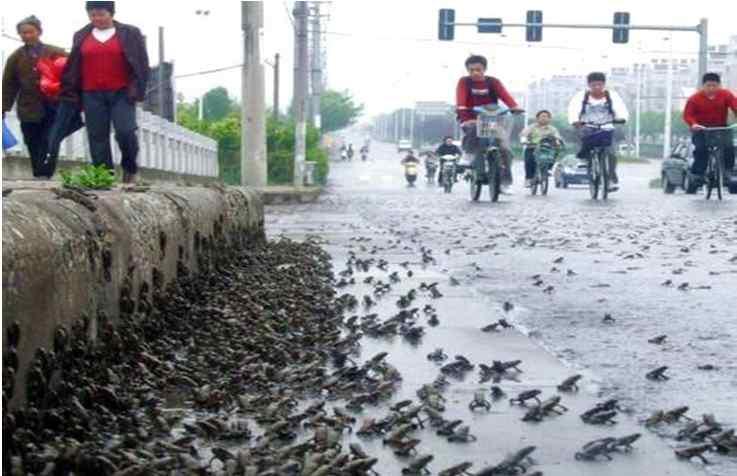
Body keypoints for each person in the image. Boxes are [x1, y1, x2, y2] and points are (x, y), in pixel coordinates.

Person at [60, 1, 149, 184]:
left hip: (122, 92)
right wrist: (70, 91)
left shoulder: (130, 33)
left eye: (101, 14)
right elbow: (74, 65)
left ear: (111, 13)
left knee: (125, 131)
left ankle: (130, 168)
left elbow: (141, 63)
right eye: (92, 15)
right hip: (91, 93)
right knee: (97, 135)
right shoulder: (81, 35)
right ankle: (104, 176)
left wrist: (138, 89)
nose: (97, 18)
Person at [2, 15, 66, 179]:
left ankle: (47, 172)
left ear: (39, 32)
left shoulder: (54, 52)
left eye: (30, 32)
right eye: (23, 33)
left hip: (53, 105)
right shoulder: (16, 57)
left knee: (51, 139)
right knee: (32, 140)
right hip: (28, 107)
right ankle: (38, 172)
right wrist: (3, 106)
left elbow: (69, 75)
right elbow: (9, 84)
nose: (26, 36)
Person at [456, 54, 523, 189]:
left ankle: (505, 182)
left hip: (491, 119)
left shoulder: (493, 82)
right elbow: (461, 100)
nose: (475, 72)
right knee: (474, 128)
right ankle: (468, 154)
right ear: (468, 70)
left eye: (478, 69)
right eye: (471, 70)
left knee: (505, 149)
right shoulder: (464, 82)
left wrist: (514, 107)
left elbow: (505, 95)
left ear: (484, 69)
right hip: (470, 118)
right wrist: (464, 115)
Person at [567, 72, 628, 192]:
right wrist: (575, 121)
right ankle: (588, 160)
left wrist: (621, 118)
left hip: (607, 127)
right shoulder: (581, 96)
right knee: (586, 143)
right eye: (594, 85)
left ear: (604, 84)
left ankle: (610, 179)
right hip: (588, 126)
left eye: (599, 85)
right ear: (589, 85)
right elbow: (573, 109)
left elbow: (620, 109)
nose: (597, 87)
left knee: (611, 153)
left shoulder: (612, 96)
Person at [682, 72, 737, 188]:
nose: (711, 88)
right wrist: (693, 124)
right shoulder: (694, 99)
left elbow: (735, 106)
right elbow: (687, 115)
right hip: (701, 129)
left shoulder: (726, 95)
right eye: (708, 85)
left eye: (714, 85)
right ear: (703, 86)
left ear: (719, 85)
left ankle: (728, 171)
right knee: (701, 149)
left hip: (721, 127)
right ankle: (698, 174)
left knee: (729, 147)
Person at [520, 110, 562, 187]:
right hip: (533, 147)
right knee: (529, 159)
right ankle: (528, 179)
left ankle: (548, 169)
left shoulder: (552, 129)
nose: (544, 118)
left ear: (549, 119)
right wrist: (524, 140)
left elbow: (557, 137)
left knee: (555, 152)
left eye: (546, 117)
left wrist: (557, 142)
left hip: (547, 148)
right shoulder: (531, 127)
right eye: (542, 116)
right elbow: (524, 135)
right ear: (537, 118)